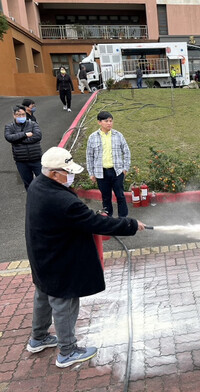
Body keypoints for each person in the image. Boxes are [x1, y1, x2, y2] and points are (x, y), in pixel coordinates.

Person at [25, 146, 146, 368]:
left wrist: (88, 218)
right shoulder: (63, 200)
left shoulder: (37, 185)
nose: (71, 176)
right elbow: (96, 223)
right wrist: (130, 224)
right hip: (59, 258)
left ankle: (38, 338)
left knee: (43, 293)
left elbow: (79, 219)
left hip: (41, 254)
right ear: (53, 173)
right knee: (64, 301)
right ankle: (68, 351)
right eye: (67, 172)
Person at [86, 111, 131, 217]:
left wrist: (125, 168)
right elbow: (89, 156)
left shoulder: (118, 135)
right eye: (106, 121)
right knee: (106, 197)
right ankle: (108, 219)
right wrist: (91, 173)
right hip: (101, 173)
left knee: (120, 196)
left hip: (117, 171)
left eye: (111, 121)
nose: (109, 123)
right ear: (99, 122)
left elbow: (127, 152)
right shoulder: (93, 137)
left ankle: (123, 219)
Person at [4, 105, 42, 190]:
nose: (21, 116)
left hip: (36, 159)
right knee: (28, 184)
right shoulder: (9, 127)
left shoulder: (33, 124)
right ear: (14, 115)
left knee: (42, 183)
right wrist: (25, 135)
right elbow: (9, 137)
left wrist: (18, 140)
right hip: (21, 161)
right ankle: (32, 201)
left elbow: (38, 136)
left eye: (23, 114)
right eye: (19, 115)